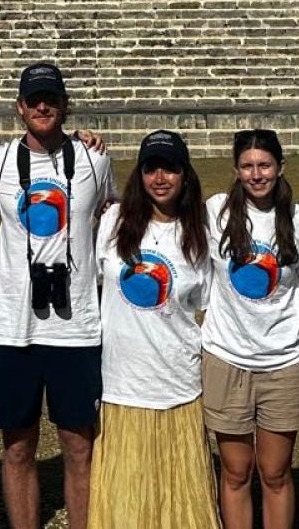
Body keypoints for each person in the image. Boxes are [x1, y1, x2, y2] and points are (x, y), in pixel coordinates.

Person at [0, 62, 115, 529]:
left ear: (65, 106)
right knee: (17, 447)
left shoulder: (95, 160)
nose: (42, 106)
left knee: (80, 447)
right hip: (13, 327)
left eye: (51, 98)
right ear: (19, 108)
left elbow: (113, 212)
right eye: (34, 99)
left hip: (77, 328)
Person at [89, 130, 218, 529]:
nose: (160, 178)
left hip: (177, 382)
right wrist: (80, 141)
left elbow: (208, 307)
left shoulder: (199, 234)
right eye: (151, 168)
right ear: (139, 174)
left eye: (170, 168)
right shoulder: (113, 221)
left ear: (185, 175)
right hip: (122, 384)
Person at [202, 129, 299, 529]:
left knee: (276, 473)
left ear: (280, 167)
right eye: (247, 166)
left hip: (283, 360)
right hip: (227, 357)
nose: (256, 174)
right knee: (235, 473)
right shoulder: (215, 212)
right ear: (236, 170)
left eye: (264, 165)